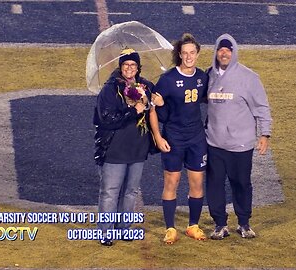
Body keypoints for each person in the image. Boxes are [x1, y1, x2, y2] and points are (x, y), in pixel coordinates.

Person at [93, 48, 163, 246]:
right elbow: (107, 119)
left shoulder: (146, 86)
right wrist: (133, 110)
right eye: (126, 65)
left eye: (133, 65)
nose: (129, 68)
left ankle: (124, 229)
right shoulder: (109, 89)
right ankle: (105, 232)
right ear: (120, 67)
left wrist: (158, 101)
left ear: (138, 67)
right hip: (115, 149)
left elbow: (157, 107)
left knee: (131, 191)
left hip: (137, 148)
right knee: (110, 192)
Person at [205, 34, 272, 239]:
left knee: (241, 183)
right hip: (214, 143)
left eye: (228, 50)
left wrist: (265, 134)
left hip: (240, 144)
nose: (224, 53)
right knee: (214, 185)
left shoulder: (249, 77)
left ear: (234, 52)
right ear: (216, 52)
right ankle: (220, 224)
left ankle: (243, 222)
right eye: (221, 49)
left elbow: (262, 107)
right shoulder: (209, 76)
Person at [150, 33, 208, 244]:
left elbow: (208, 100)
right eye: (185, 53)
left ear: (198, 54)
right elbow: (153, 109)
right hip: (174, 138)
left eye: (192, 52)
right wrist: (157, 136)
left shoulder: (203, 77)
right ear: (179, 55)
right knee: (171, 181)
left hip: (196, 138)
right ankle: (170, 228)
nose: (189, 56)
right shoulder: (167, 80)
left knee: (197, 183)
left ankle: (193, 225)